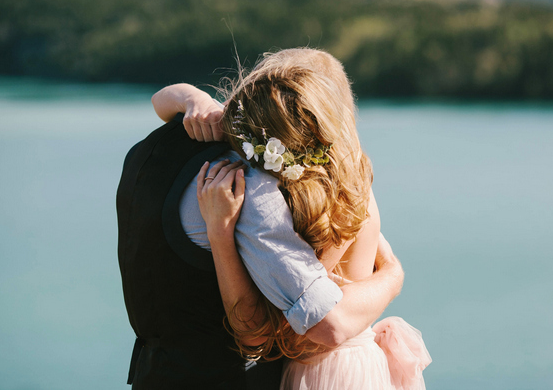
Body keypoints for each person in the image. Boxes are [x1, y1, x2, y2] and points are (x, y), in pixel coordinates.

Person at [117, 50, 405, 389]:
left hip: (152, 374)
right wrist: (394, 274)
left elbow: (160, 101)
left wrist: (188, 96)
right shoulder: (270, 194)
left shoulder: (148, 150)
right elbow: (291, 329)